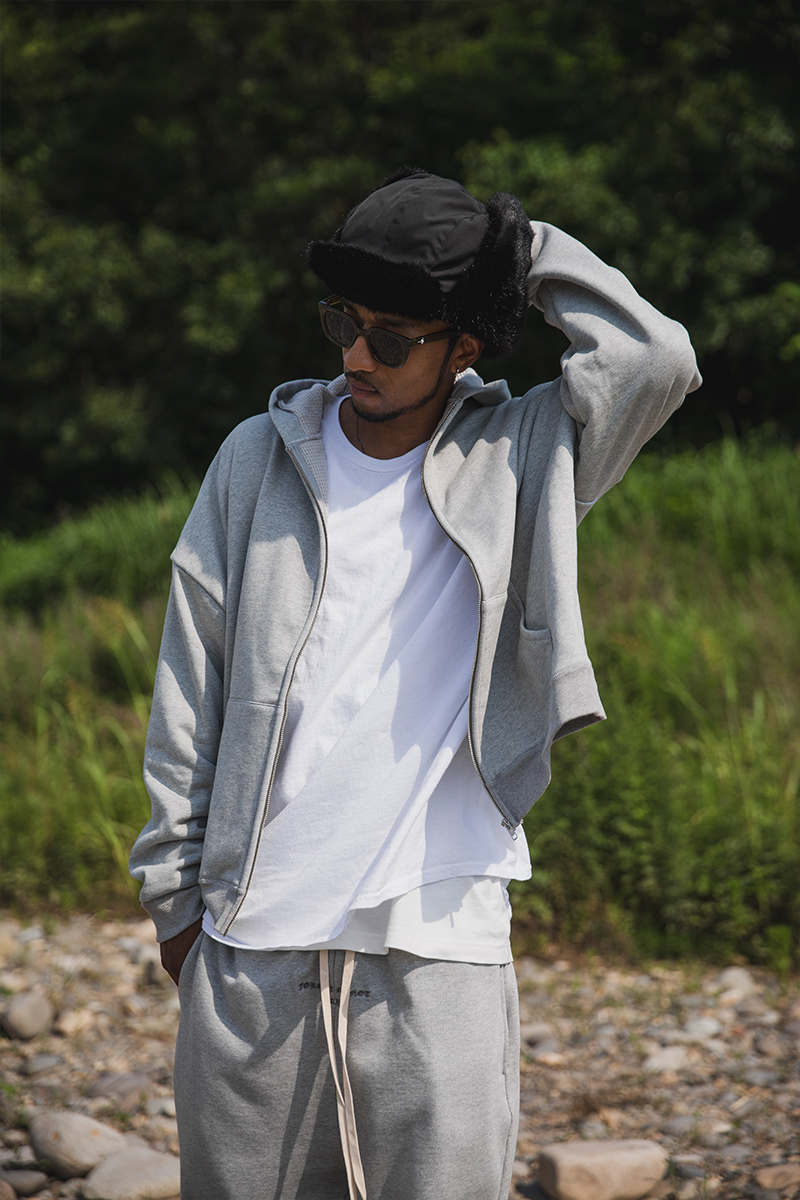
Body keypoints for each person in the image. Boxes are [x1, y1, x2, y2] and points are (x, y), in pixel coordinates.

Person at [129, 167, 701, 1200]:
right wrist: (177, 904)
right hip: (251, 945)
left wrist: (515, 250)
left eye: (392, 339)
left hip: (440, 946)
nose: (355, 355)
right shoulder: (255, 460)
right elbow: (190, 678)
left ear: (463, 346)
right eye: (343, 322)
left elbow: (654, 358)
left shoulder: (526, 457)